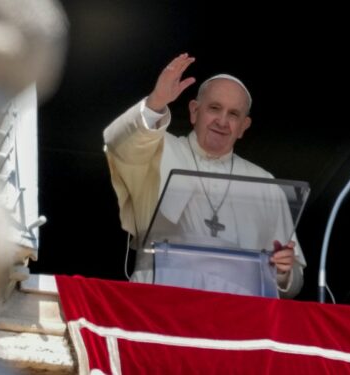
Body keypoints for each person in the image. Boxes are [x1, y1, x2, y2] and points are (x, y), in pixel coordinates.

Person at [103, 53, 306, 298]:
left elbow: (292, 285)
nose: (222, 121)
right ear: (194, 111)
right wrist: (156, 101)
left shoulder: (266, 184)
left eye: (233, 115)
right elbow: (117, 143)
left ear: (244, 126)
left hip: (239, 316)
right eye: (214, 108)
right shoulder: (157, 149)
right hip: (159, 302)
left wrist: (283, 272)